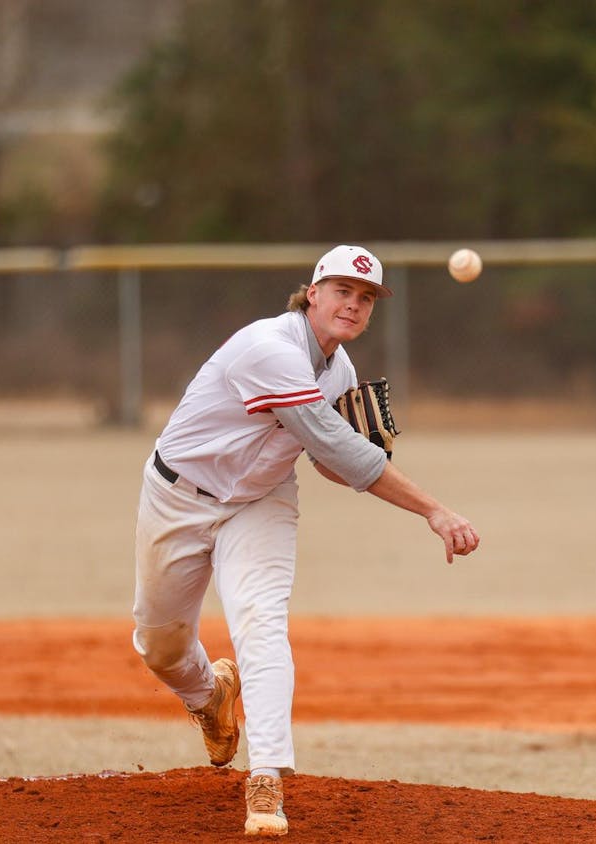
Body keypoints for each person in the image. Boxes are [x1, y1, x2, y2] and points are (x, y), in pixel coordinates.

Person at [131, 244, 480, 836]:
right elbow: (336, 447)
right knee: (159, 645)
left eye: (366, 298)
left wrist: (366, 455)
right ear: (312, 293)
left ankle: (265, 776)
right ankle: (208, 696)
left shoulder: (338, 370)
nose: (354, 305)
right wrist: (433, 511)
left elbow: (326, 464)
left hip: (261, 503)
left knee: (261, 622)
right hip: (179, 497)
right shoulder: (268, 349)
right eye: (343, 291)